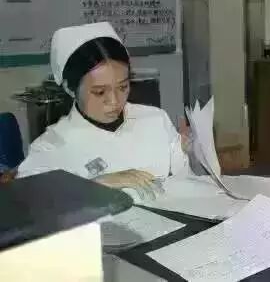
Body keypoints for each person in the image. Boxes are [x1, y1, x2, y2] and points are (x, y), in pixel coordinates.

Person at [18, 22, 193, 199]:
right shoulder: (50, 147)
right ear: (70, 88)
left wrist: (185, 151)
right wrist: (95, 185)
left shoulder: (155, 119)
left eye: (123, 87)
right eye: (100, 92)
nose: (114, 101)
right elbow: (33, 201)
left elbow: (185, 184)